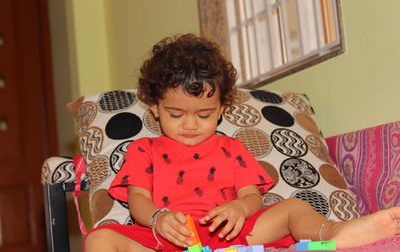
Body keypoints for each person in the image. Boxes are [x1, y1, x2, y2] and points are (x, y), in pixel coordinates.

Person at [85, 34, 400, 252]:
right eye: (176, 114)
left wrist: (238, 207)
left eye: (205, 114)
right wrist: (158, 218)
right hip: (166, 240)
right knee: (98, 240)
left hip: (233, 235)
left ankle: (334, 233)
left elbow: (252, 197)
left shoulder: (232, 148)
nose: (191, 124)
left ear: (222, 109)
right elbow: (137, 199)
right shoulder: (144, 150)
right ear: (155, 108)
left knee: (292, 208)